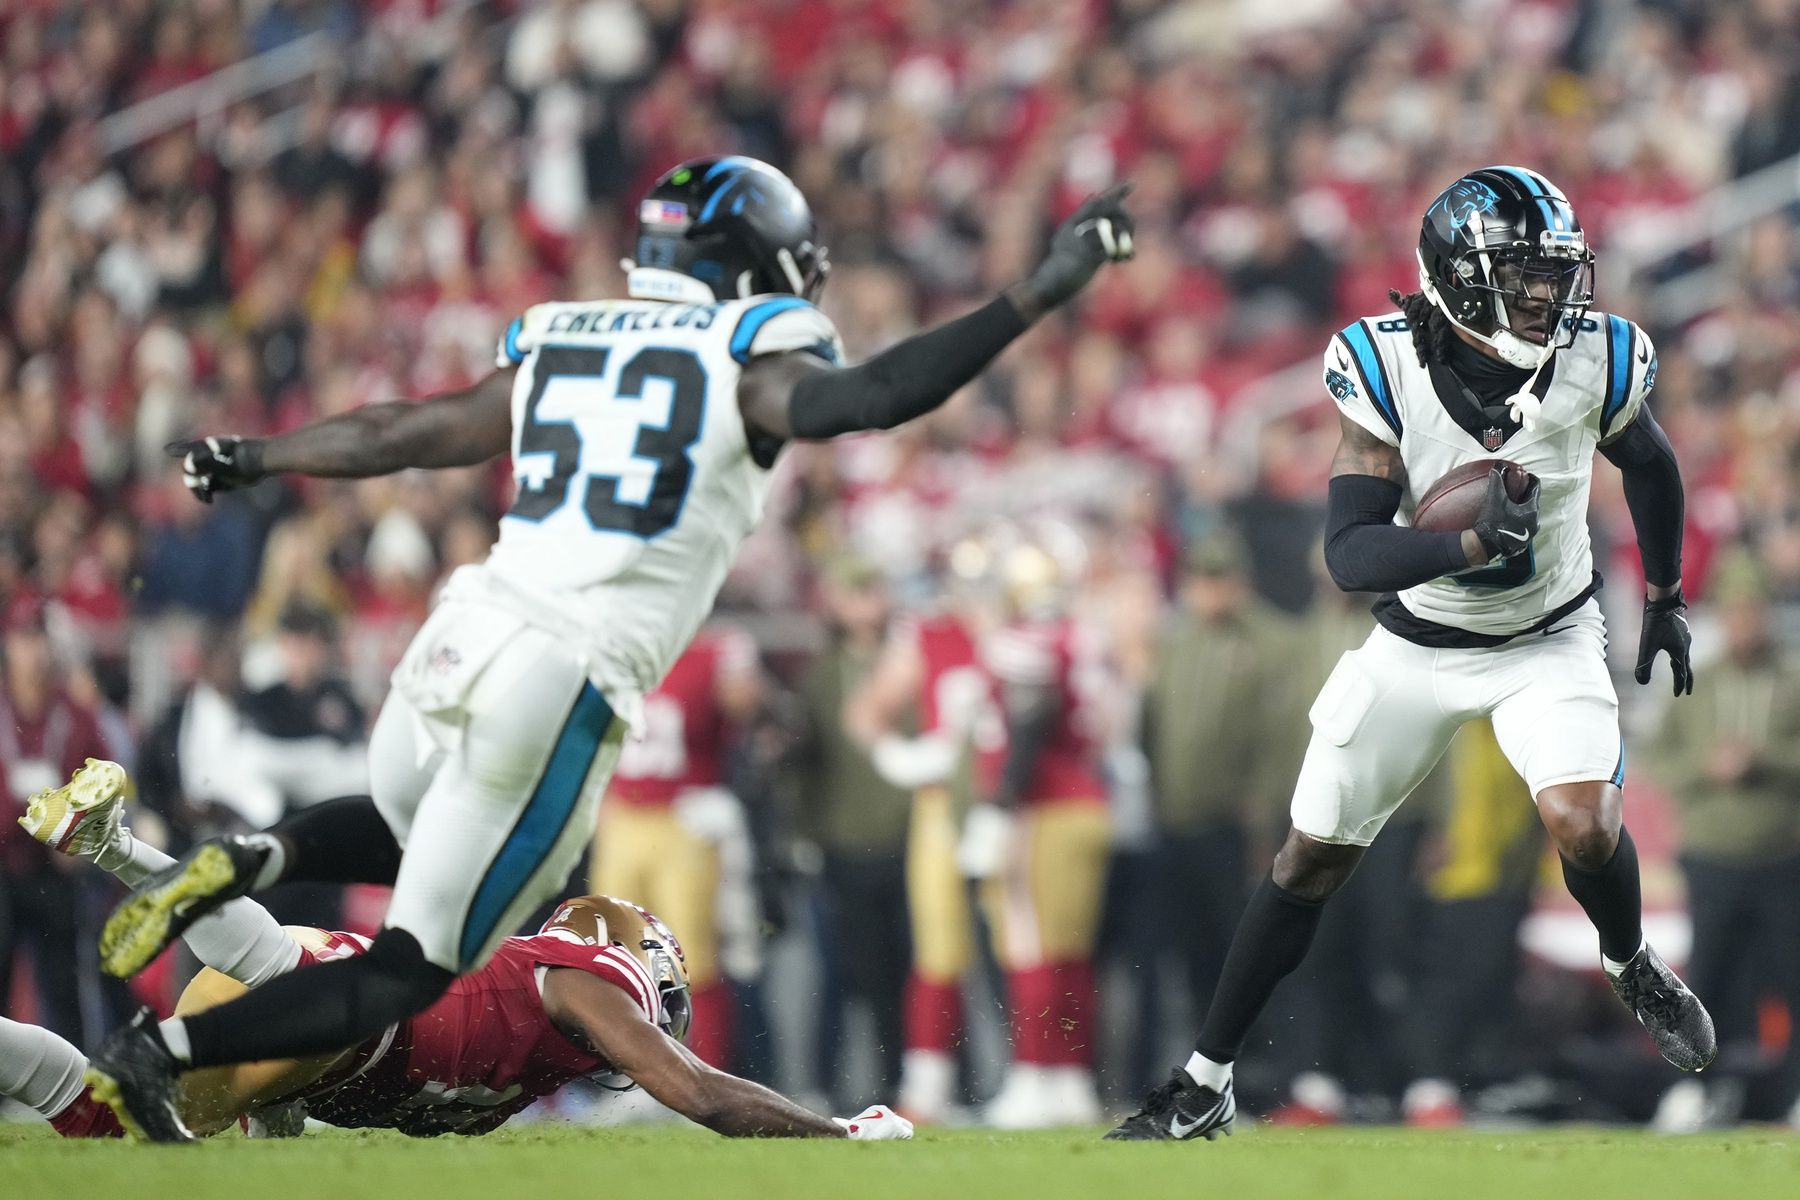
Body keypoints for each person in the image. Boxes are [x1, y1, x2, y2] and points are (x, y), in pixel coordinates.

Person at [86, 155, 1136, 1142]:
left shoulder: (561, 332)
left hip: (460, 630)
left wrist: (259, 456)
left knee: (422, 833)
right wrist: (1040, 289)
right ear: (751, 263)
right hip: (566, 672)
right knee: (413, 966)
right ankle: (164, 1048)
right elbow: (875, 398)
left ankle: (261, 856)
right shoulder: (739, 353)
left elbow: (411, 430)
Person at [1109, 166, 1711, 1141]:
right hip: (1417, 640)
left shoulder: (1602, 356)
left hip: (1547, 633)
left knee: (1583, 821)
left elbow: (1650, 461)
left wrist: (1666, 594)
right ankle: (1204, 1078)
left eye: (1557, 274)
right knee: (1308, 859)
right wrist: (1468, 547)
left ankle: (1628, 959)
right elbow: (1349, 552)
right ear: (1460, 275)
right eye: (1524, 274)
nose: (1551, 296)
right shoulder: (1379, 364)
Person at [5, 760, 910, 1141]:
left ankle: (124, 853)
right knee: (115, 1126)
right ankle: (115, 847)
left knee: (94, 1116)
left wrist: (273, 1121)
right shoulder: (586, 986)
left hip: (310, 1012)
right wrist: (835, 1132)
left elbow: (348, 1103)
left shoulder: (540, 1036)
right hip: (328, 1005)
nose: (655, 1025)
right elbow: (705, 1095)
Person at [842, 538, 1005, 1123]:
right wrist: (900, 756)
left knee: (1025, 948)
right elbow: (864, 710)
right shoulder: (930, 633)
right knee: (939, 947)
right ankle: (930, 1088)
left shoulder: (1029, 630)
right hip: (942, 807)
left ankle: (1040, 1079)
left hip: (1012, 805)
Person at [1649, 551, 1800, 1130]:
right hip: (1711, 856)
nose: (1745, 621)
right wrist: (1705, 768)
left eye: (1754, 610)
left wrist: (1765, 761)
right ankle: (1692, 1090)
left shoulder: (1789, 681)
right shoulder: (1696, 681)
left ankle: (1790, 1092)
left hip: (1782, 856)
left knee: (1790, 979)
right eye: (1735, 611)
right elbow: (1659, 758)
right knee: (1705, 980)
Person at [591, 624, 763, 1067]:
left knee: (692, 960)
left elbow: (746, 703)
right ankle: (629, 1079)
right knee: (612, 959)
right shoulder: (611, 644)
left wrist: (734, 678)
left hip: (682, 819)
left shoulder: (713, 650)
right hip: (621, 818)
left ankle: (708, 1073)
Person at [792, 554, 913, 1111]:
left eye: (871, 590)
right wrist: (803, 835)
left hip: (908, 838)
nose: (864, 605)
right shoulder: (820, 676)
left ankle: (907, 1084)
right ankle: (823, 1085)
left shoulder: (912, 663)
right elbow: (802, 764)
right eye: (853, 592)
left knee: (911, 971)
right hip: (843, 841)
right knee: (839, 973)